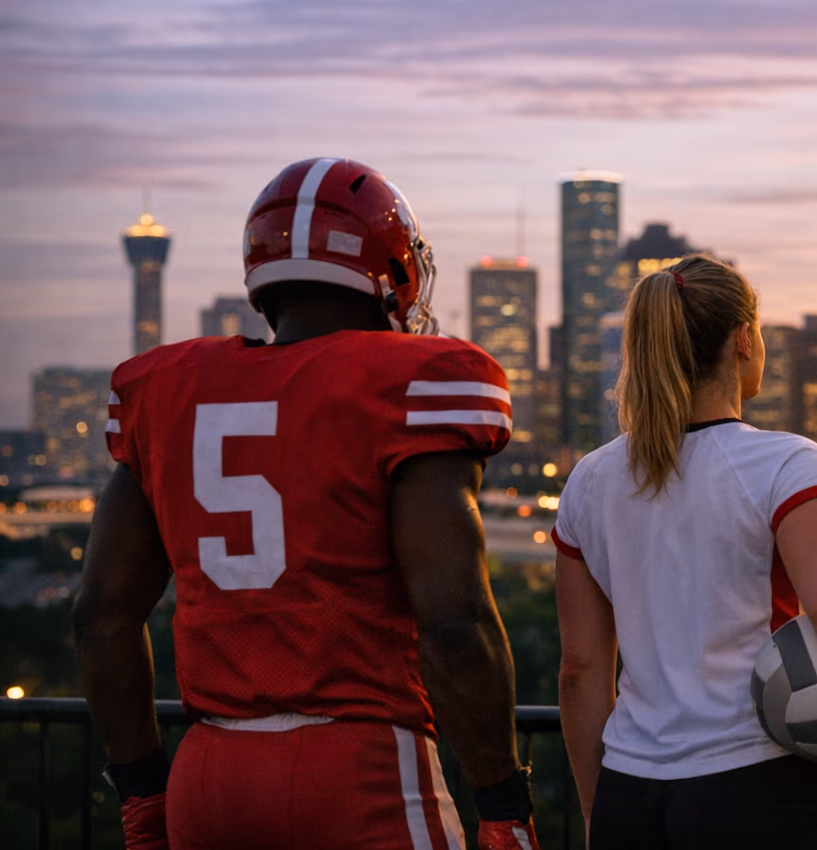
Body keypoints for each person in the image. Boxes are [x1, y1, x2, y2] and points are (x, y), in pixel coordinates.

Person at [74, 158, 541, 850]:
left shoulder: (168, 393)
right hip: (360, 769)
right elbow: (453, 625)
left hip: (210, 776)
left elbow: (100, 619)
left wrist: (143, 790)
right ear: (391, 268)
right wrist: (503, 801)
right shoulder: (409, 381)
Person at [553, 254, 817, 849]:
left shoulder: (589, 479)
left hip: (629, 790)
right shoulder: (786, 463)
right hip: (755, 784)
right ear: (745, 339)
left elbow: (581, 672)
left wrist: (599, 812)